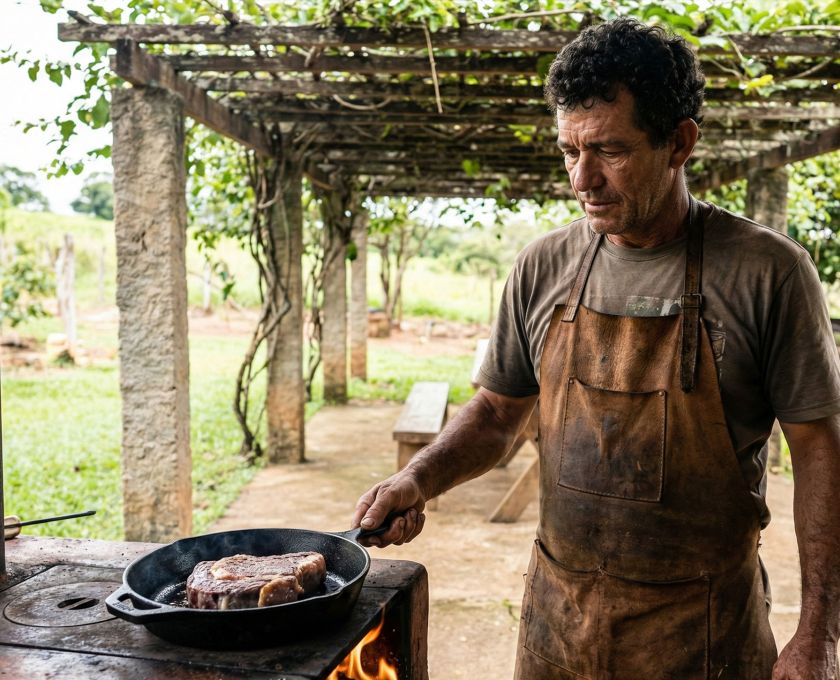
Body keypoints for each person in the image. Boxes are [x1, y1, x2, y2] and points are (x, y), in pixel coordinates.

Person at [352, 17, 840, 679]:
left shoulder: (766, 272)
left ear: (679, 144)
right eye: (569, 152)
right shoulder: (541, 266)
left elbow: (818, 447)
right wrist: (418, 478)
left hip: (703, 640)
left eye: (610, 150)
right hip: (559, 625)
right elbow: (498, 413)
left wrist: (818, 633)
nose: (583, 179)